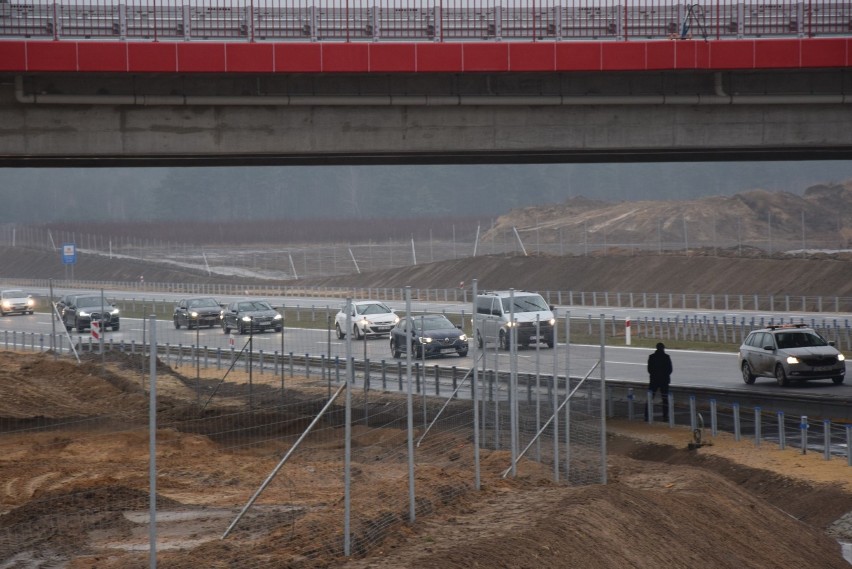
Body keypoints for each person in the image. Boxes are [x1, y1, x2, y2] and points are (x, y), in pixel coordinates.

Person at [646, 342, 673, 421]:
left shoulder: (651, 357)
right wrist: (664, 376)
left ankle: (646, 415)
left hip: (654, 380)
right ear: (663, 348)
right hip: (664, 381)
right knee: (665, 399)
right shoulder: (666, 357)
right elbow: (670, 369)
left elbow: (649, 369)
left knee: (650, 398)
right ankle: (665, 415)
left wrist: (655, 375)